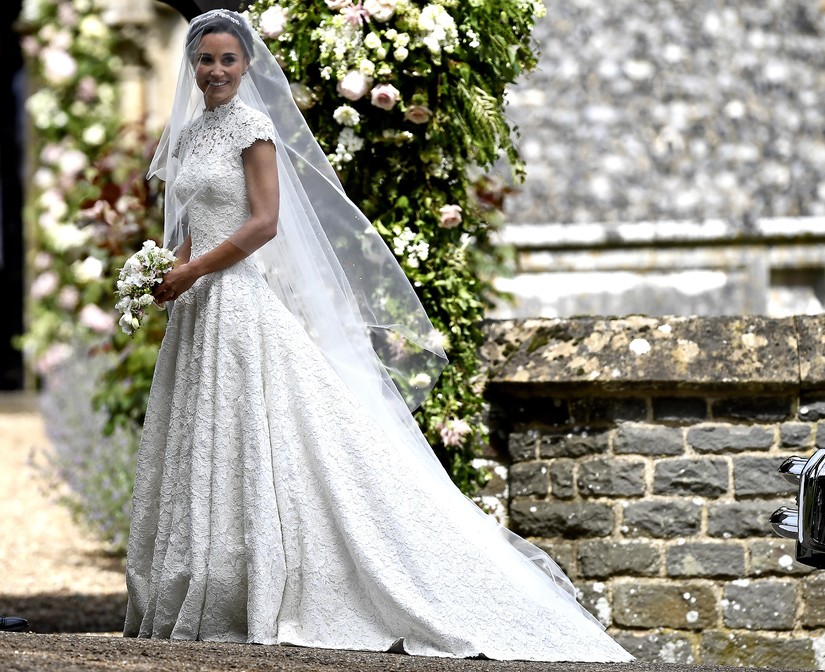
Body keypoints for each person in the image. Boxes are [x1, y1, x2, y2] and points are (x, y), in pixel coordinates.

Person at [123, 9, 632, 662]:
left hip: (240, 300)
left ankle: (279, 578)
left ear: (246, 65)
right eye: (205, 59)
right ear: (191, 67)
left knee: (272, 433)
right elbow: (198, 220)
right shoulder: (193, 135)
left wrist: (195, 268)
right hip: (198, 307)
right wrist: (169, 273)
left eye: (227, 59)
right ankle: (210, 581)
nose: (215, 70)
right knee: (205, 434)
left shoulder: (253, 129)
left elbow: (264, 223)